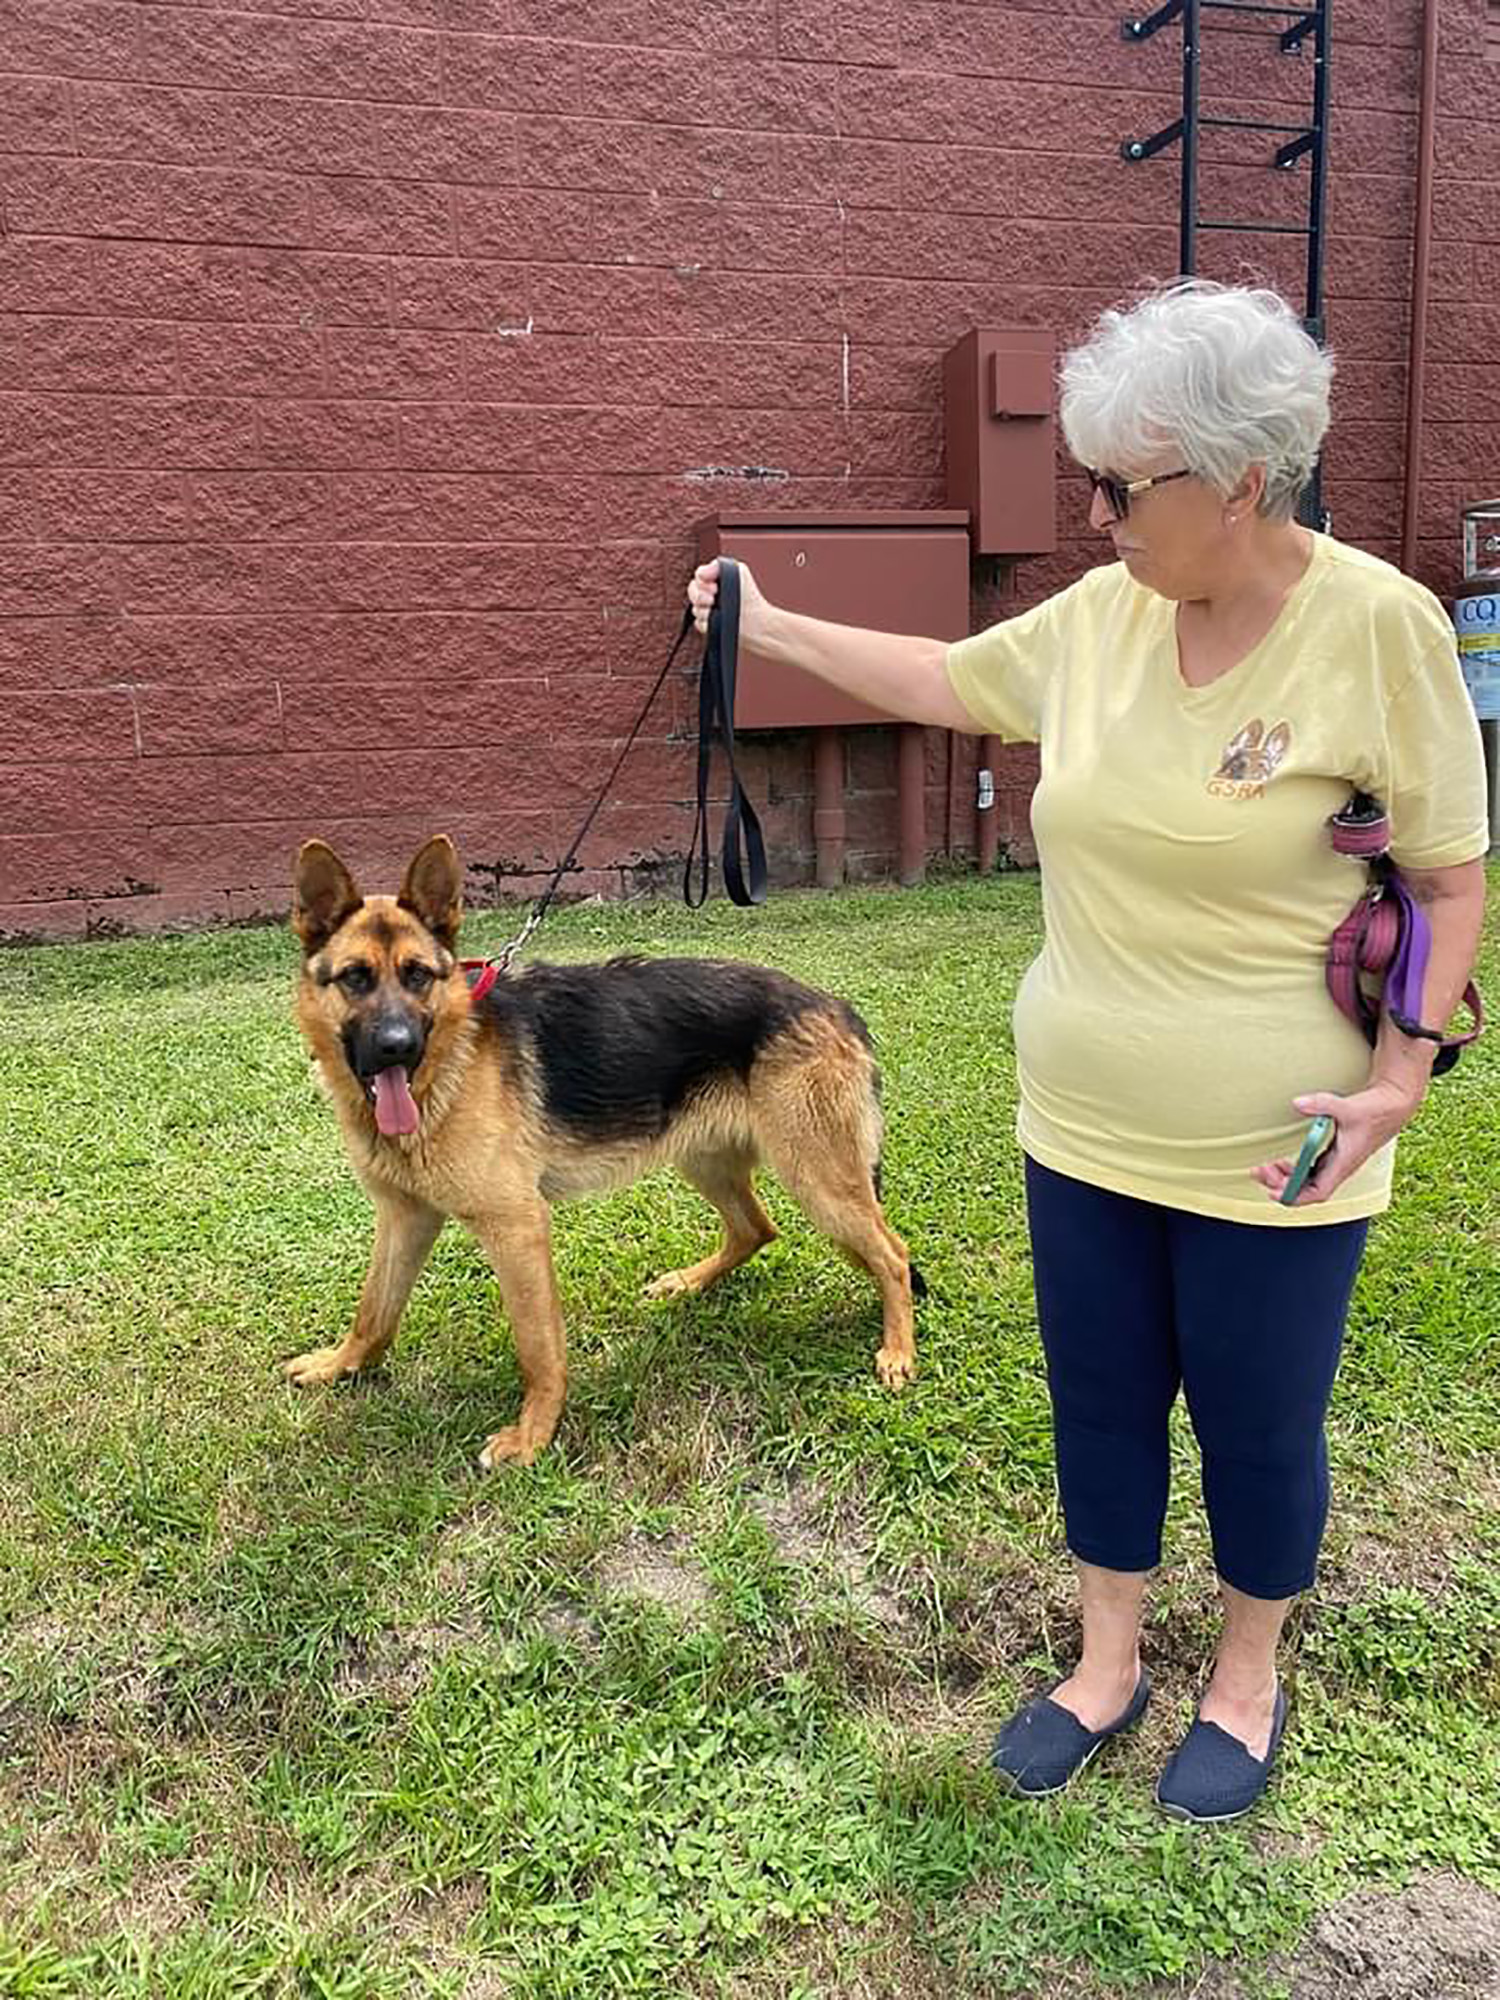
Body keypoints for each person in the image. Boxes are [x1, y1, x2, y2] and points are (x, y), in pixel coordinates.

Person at [687, 279, 1489, 1823]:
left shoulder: (1376, 626)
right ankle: (1106, 1662)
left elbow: (1453, 879)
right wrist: (767, 621)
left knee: (1260, 1422)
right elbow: (945, 680)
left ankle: (1246, 1679)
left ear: (1240, 479)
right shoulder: (1105, 617)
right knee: (1102, 1401)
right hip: (1081, 1124)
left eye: (1124, 484)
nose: (1099, 511)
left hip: (1280, 1140)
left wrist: (1397, 1083)